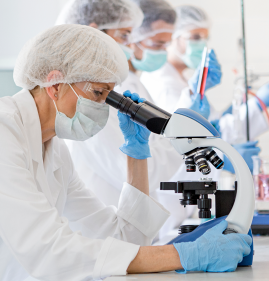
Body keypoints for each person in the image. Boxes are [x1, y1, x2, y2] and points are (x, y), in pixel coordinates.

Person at [0, 25, 251, 280]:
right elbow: (50, 252)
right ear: (55, 85)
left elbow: (122, 237)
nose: (104, 108)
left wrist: (137, 154)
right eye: (100, 94)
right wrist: (182, 255)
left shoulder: (53, 151)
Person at [57, 0, 200, 240]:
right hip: (104, 244)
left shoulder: (118, 88)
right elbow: (144, 174)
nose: (130, 45)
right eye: (124, 35)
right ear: (94, 32)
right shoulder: (90, 102)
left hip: (124, 237)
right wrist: (178, 140)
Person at [140, 5, 269, 171]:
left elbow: (212, 126)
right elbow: (181, 144)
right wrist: (260, 103)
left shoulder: (182, 79)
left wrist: (239, 104)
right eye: (195, 37)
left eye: (205, 38)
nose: (202, 44)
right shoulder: (165, 84)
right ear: (173, 36)